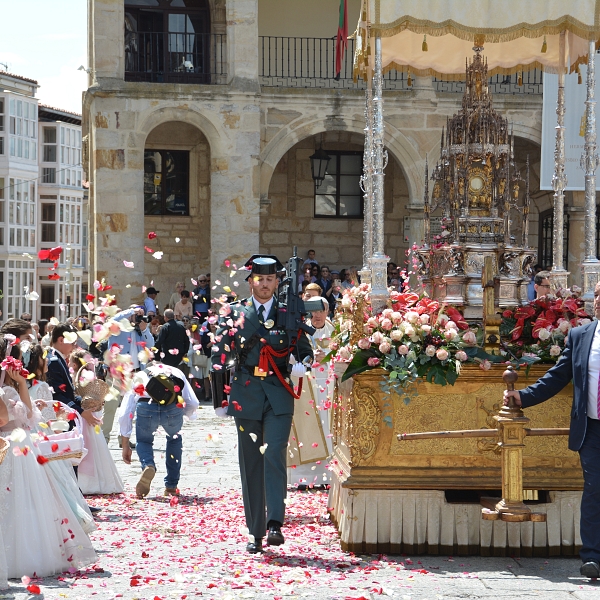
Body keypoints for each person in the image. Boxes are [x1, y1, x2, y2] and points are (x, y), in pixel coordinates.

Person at [210, 255, 313, 553]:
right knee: (251, 462)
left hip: (279, 393)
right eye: (259, 279)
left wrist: (302, 364)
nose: (265, 284)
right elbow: (219, 354)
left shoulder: (288, 312)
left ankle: (274, 524)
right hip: (246, 395)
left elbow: (306, 349)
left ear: (277, 281)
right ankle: (255, 531)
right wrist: (220, 396)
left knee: (274, 455)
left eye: (270, 279)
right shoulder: (234, 313)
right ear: (250, 281)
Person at [503, 280, 600, 579]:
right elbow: (558, 376)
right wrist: (524, 397)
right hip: (592, 429)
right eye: (597, 295)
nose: (598, 301)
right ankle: (593, 557)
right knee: (595, 491)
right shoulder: (582, 335)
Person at [0, 335, 97, 578]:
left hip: (14, 446)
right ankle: (25, 554)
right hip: (17, 447)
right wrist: (21, 384)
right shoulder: (7, 390)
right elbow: (26, 417)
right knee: (26, 502)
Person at [119, 362, 198, 498]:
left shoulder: (140, 375)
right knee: (174, 441)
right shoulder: (176, 372)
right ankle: (171, 487)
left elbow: (125, 412)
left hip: (146, 406)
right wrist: (185, 414)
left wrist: (125, 444)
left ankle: (148, 465)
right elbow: (193, 402)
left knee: (144, 441)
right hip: (173, 408)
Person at [287, 297, 334, 489]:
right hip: (304, 385)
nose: (317, 315)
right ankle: (302, 478)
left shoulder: (336, 331)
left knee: (327, 430)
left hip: (328, 388)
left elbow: (344, 356)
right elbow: (288, 354)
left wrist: (328, 357)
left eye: (321, 311)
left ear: (327, 312)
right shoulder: (300, 331)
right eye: (313, 311)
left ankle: (325, 477)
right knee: (305, 430)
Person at [68, 349, 124, 495]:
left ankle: (88, 483)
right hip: (89, 417)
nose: (68, 363)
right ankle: (96, 480)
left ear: (75, 364)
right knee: (95, 448)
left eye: (70, 361)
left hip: (86, 418)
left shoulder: (83, 381)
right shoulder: (87, 378)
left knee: (89, 448)